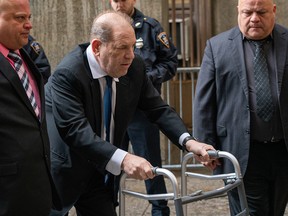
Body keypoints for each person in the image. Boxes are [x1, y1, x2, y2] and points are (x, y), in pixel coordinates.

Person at [46, 10, 214, 216]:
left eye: (133, 46)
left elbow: (158, 109)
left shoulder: (134, 67)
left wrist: (189, 142)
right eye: (122, 48)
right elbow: (77, 131)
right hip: (64, 171)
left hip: (100, 174)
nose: (131, 55)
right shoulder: (68, 74)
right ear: (98, 47)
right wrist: (125, 159)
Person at [193, 0, 288, 215]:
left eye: (261, 12)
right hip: (240, 151)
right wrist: (205, 143)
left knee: (275, 210)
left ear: (274, 10)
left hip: (282, 151)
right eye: (248, 12)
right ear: (238, 11)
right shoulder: (217, 47)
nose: (254, 18)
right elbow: (204, 102)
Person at [109, 1, 178, 215]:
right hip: (114, 108)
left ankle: (159, 209)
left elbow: (170, 63)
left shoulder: (150, 27)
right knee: (110, 163)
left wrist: (144, 79)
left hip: (142, 110)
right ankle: (107, 207)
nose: (119, 4)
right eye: (115, 0)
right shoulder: (107, 27)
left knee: (150, 165)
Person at [0, 0, 61, 215]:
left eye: (29, 18)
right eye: (19, 18)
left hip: (37, 188)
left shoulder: (25, 54)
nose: (29, 25)